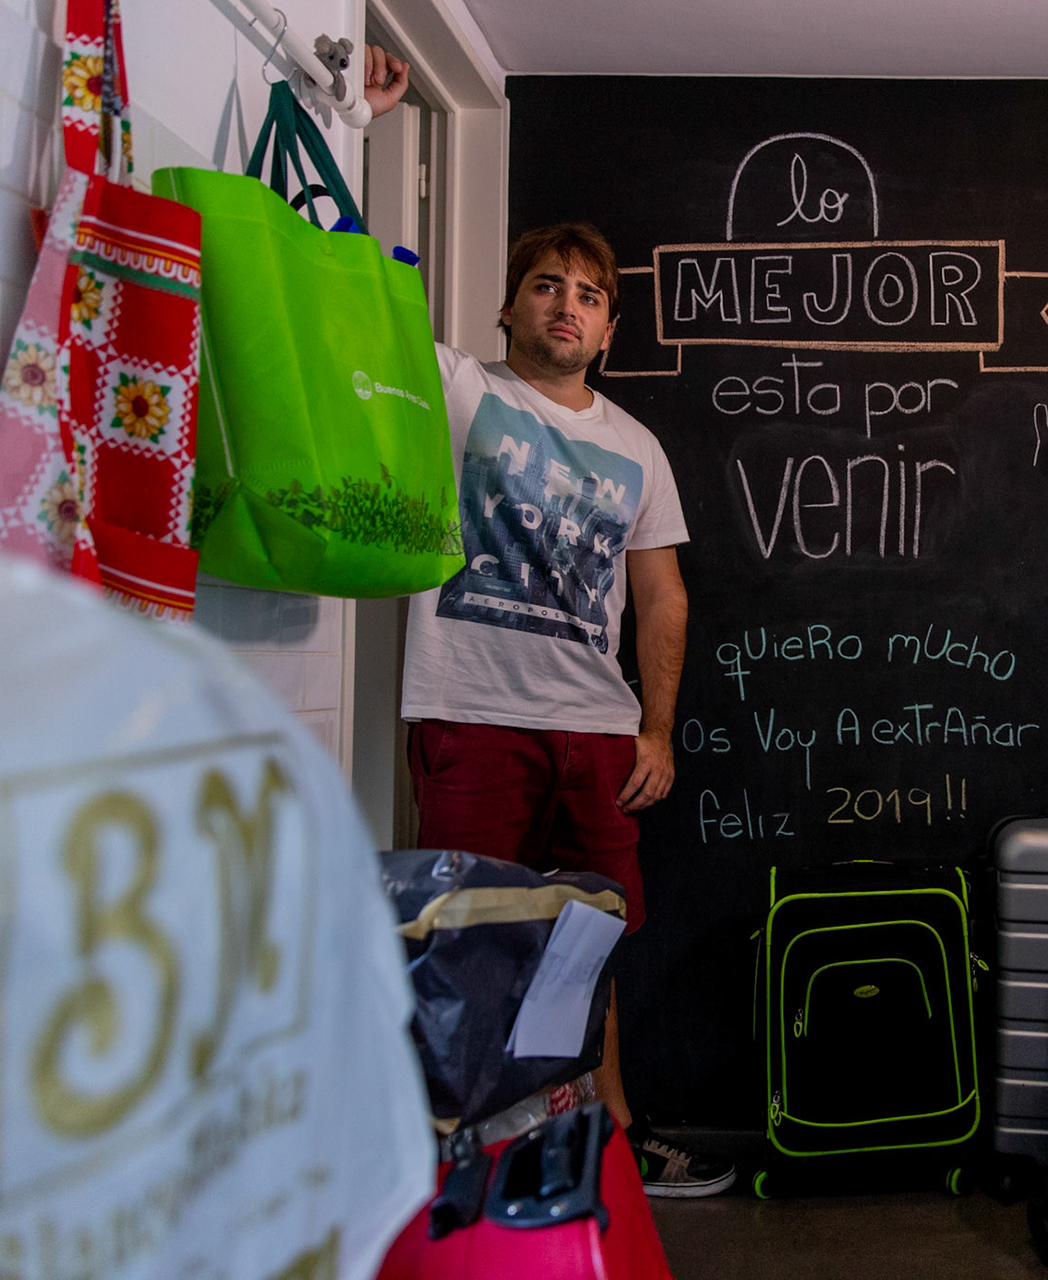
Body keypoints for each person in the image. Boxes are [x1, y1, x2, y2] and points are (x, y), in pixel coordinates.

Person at [365, 48, 735, 1198]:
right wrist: (355, 116)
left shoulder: (639, 447)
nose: (565, 304)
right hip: (471, 711)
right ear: (508, 306)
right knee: (464, 942)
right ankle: (462, 1160)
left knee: (589, 946)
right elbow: (361, 295)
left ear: (608, 326)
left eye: (586, 293)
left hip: (597, 731)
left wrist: (656, 728)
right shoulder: (459, 389)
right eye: (545, 285)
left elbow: (663, 593)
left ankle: (607, 1144)